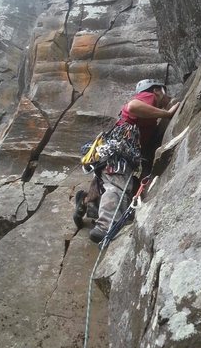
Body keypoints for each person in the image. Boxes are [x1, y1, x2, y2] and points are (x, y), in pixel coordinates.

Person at [75, 79, 179, 243]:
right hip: (119, 154)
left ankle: (87, 202)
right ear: (158, 91)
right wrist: (167, 114)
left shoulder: (146, 118)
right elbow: (133, 107)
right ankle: (104, 226)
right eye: (166, 96)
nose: (167, 101)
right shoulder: (149, 96)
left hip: (111, 153)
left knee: (109, 183)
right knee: (116, 187)